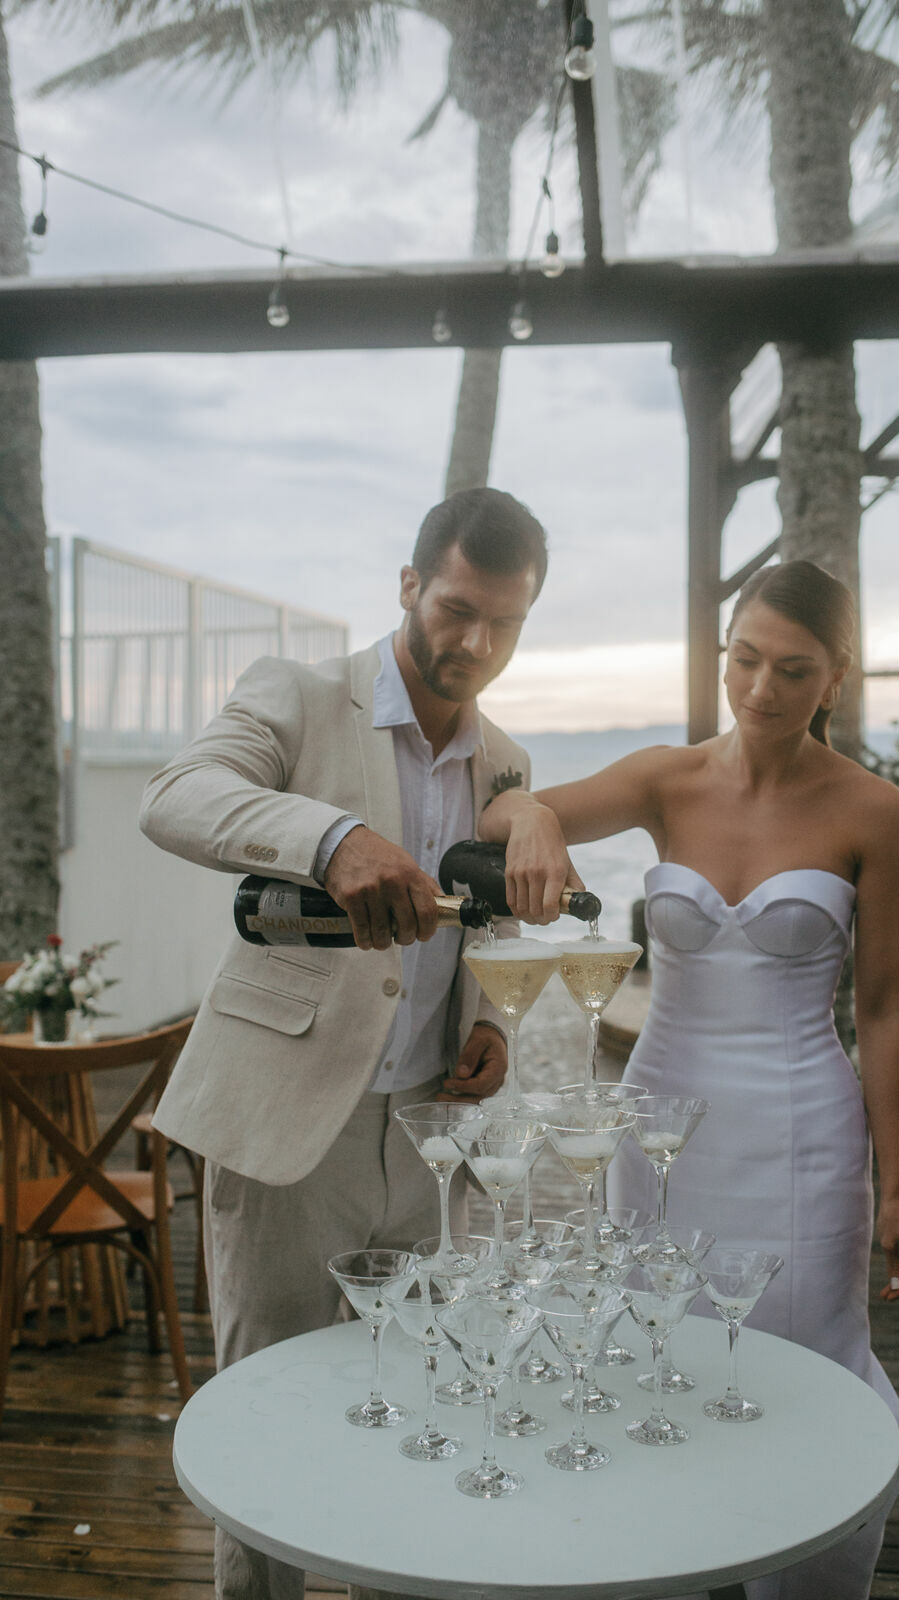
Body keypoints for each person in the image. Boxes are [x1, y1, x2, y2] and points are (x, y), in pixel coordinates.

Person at [480, 558, 899, 1600]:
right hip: (659, 1124)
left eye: (792, 669)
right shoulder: (662, 778)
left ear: (836, 677)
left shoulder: (872, 811)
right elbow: (503, 811)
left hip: (803, 1133)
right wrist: (539, 820)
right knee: (657, 1354)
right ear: (721, 652)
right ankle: (672, 1562)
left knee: (811, 1366)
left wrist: (898, 1189)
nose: (760, 688)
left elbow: (883, 1006)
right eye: (743, 658)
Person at [139, 486, 548, 1600]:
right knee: (263, 1412)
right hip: (287, 1126)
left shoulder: (505, 761)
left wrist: (489, 1024)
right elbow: (176, 796)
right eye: (457, 608)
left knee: (410, 1405)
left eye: (503, 623)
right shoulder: (300, 695)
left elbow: (491, 922)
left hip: (428, 1138)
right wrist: (330, 838)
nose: (473, 642)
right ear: (409, 585)